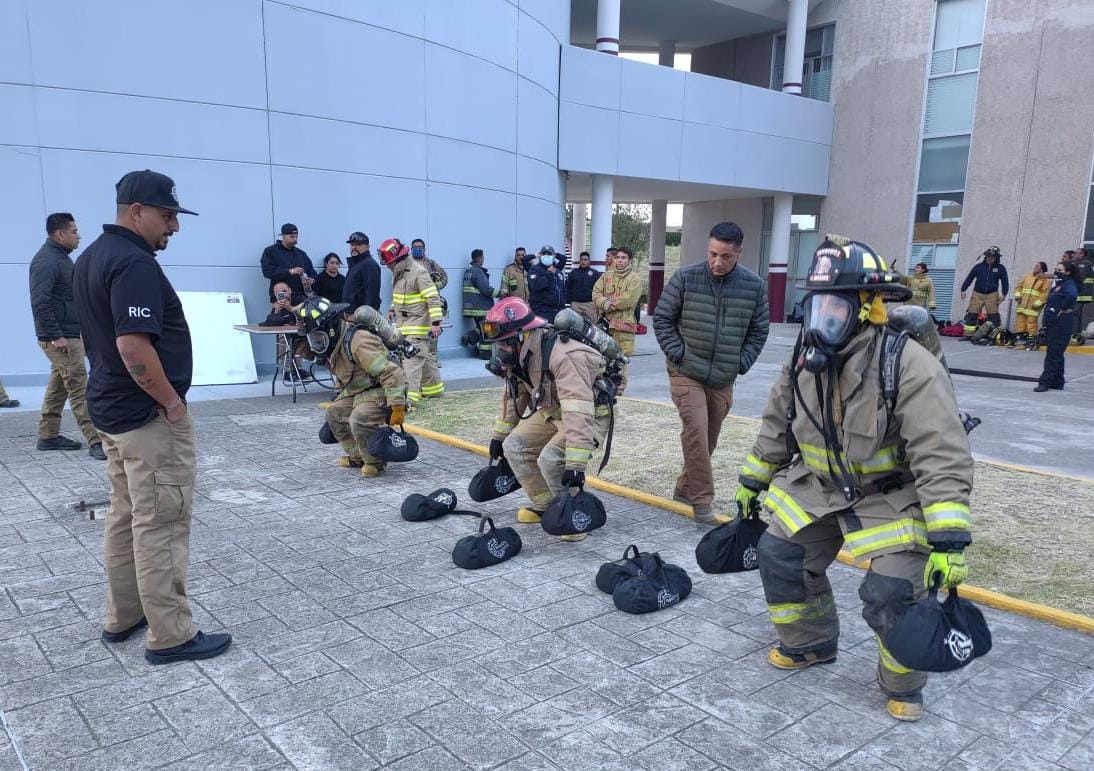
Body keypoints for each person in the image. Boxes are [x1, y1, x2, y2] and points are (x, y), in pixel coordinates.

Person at [735, 235, 974, 722]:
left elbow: (941, 453)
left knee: (889, 592)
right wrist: (753, 479)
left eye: (835, 306)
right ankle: (811, 644)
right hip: (821, 487)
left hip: (891, 495)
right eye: (816, 305)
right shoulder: (805, 354)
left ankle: (903, 682)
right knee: (779, 554)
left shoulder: (908, 364)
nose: (822, 319)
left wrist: (949, 541)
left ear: (868, 308)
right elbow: (778, 420)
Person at [72, 169, 230, 665]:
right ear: (136, 211)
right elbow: (131, 344)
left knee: (125, 516)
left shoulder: (92, 257)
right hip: (145, 416)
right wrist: (171, 402)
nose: (174, 227)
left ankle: (124, 616)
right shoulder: (133, 263)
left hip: (112, 411)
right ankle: (172, 635)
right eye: (168, 216)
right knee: (160, 520)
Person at [653, 221, 769, 524]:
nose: (717, 262)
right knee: (695, 432)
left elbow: (759, 330)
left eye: (726, 256)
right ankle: (702, 502)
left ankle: (684, 488)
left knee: (707, 440)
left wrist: (740, 362)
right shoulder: (686, 278)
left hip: (722, 377)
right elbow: (663, 318)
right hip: (685, 371)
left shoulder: (754, 286)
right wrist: (678, 353)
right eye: (712, 254)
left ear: (739, 253)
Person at [481, 297, 612, 542]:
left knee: (551, 459)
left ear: (521, 336)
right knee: (514, 447)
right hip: (554, 412)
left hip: (589, 416)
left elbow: (579, 412)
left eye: (503, 345)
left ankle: (574, 517)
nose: (500, 351)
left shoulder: (564, 356)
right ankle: (549, 506)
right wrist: (499, 436)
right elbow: (514, 396)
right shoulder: (522, 355)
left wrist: (576, 465)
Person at [296, 297, 407, 477]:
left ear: (331, 330)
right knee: (334, 415)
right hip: (357, 390)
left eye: (318, 337)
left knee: (359, 418)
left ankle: (375, 462)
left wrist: (397, 406)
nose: (316, 342)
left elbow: (391, 373)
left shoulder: (358, 342)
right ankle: (358, 457)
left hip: (381, 388)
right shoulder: (334, 343)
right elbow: (344, 373)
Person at [28, 212, 105, 459]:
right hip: (61, 338)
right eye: (74, 231)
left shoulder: (59, 258)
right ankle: (96, 442)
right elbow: (40, 302)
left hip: (68, 334)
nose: (79, 235)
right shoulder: (47, 261)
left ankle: (48, 436)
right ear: (60, 234)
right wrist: (55, 335)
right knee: (79, 388)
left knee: (59, 387)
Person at [380, 238, 443, 406]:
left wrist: (435, 322)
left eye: (389, 263)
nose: (387, 266)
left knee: (411, 362)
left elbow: (433, 297)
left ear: (397, 259)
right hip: (405, 324)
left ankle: (410, 401)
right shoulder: (399, 272)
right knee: (425, 357)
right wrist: (393, 307)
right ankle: (435, 390)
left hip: (418, 324)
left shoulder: (418, 272)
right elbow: (401, 295)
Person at [592, 246, 643, 391]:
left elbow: (628, 300)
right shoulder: (606, 276)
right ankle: (603, 389)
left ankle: (619, 391)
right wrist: (605, 303)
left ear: (629, 260)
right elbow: (595, 293)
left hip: (623, 328)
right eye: (618, 257)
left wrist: (609, 303)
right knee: (601, 358)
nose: (619, 261)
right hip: (605, 326)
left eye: (623, 258)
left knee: (620, 361)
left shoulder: (635, 280)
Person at [1035, 260, 1081, 392]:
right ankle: (1057, 381)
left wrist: (1063, 308)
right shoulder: (1059, 284)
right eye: (1056, 269)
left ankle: (1045, 382)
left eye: (1059, 270)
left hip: (1060, 325)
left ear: (1068, 272)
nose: (1056, 272)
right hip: (1054, 323)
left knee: (1052, 355)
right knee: (1057, 354)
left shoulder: (1068, 283)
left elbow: (1072, 295)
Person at [959, 245, 1009, 338]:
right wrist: (963, 289)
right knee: (972, 314)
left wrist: (1004, 293)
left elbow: (1005, 281)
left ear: (996, 258)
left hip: (992, 294)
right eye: (988, 256)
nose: (990, 258)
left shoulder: (1000, 268)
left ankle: (993, 335)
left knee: (993, 316)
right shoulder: (978, 267)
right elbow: (969, 278)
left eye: (992, 257)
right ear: (985, 256)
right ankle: (968, 335)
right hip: (977, 293)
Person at [261, 223, 315, 304]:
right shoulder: (270, 251)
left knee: (306, 316)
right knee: (282, 315)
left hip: (301, 296)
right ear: (283, 236)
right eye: (292, 237)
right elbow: (267, 272)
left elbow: (312, 272)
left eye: (296, 236)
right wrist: (290, 271)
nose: (295, 240)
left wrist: (312, 280)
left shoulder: (301, 254)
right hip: (281, 295)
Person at [461, 248, 495, 358]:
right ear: (480, 258)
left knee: (481, 328)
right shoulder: (478, 271)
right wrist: (500, 293)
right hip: (482, 308)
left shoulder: (468, 271)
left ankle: (470, 337)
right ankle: (485, 354)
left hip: (472, 308)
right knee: (488, 330)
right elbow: (485, 289)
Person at [1012, 261, 1050, 347]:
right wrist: (1018, 297)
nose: (1035, 268)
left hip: (1033, 308)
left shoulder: (1046, 281)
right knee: (1020, 323)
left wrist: (1037, 304)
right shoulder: (1027, 277)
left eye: (1037, 266)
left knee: (1031, 325)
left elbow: (1045, 295)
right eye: (1035, 266)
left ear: (1042, 270)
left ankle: (1031, 341)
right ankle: (1020, 339)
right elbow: (1018, 287)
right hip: (1022, 306)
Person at [342, 232, 381, 311]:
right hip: (351, 313)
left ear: (368, 247)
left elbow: (372, 295)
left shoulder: (369, 264)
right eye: (352, 245)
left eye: (359, 244)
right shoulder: (356, 264)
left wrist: (365, 315)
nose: (354, 247)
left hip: (361, 316)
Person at [527, 245, 566, 322]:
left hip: (559, 312)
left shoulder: (557, 271)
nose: (547, 256)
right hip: (542, 312)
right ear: (540, 255)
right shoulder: (535, 270)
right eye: (544, 254)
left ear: (553, 256)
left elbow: (562, 290)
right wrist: (549, 274)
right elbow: (535, 285)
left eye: (549, 254)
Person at [566, 251, 601, 324]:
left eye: (585, 260)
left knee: (591, 326)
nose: (583, 261)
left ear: (589, 261)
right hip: (576, 304)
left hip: (590, 304)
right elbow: (567, 287)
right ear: (579, 261)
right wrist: (569, 300)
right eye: (581, 260)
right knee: (575, 325)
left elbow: (599, 289)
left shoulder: (595, 273)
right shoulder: (573, 272)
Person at [1074, 248, 1094, 339]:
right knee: (1076, 313)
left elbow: (1079, 277)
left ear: (1082, 254)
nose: (1074, 255)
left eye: (1076, 253)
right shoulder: (1078, 264)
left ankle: (1074, 333)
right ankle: (1076, 332)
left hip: (1082, 293)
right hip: (1080, 292)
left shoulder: (1084, 264)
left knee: (1075, 313)